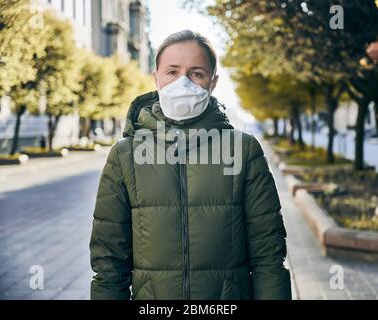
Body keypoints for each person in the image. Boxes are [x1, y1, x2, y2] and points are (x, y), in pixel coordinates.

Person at [89, 30, 292, 300]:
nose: (182, 83)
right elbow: (108, 263)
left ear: (213, 82)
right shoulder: (125, 155)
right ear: (156, 78)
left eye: (196, 73)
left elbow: (268, 257)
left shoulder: (243, 150)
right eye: (172, 72)